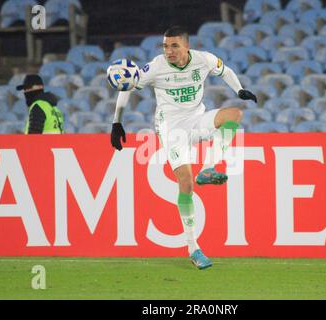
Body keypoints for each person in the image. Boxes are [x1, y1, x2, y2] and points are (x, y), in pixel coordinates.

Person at [110, 26, 257, 270]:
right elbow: (127, 85)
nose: (169, 51)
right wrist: (116, 121)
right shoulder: (155, 66)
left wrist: (238, 88)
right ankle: (193, 247)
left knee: (234, 114)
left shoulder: (203, 59)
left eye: (174, 46)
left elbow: (225, 70)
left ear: (187, 46)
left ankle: (208, 169)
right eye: (165, 46)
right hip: (171, 128)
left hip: (197, 120)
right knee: (186, 183)